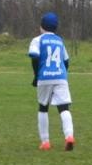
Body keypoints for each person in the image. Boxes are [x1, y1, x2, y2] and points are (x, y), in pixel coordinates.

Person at [28, 11, 75, 151]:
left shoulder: (37, 40)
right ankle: (69, 136)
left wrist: (36, 76)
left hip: (44, 77)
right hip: (61, 77)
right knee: (64, 108)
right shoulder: (59, 41)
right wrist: (62, 73)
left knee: (43, 108)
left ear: (41, 26)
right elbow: (66, 61)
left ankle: (45, 142)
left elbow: (34, 56)